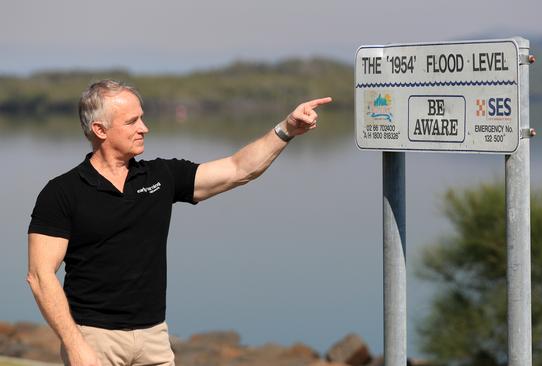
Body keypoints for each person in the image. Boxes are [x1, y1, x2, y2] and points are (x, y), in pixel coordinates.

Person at [26, 79, 332, 366]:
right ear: (100, 129)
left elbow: (239, 169)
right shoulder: (62, 192)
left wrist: (286, 129)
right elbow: (41, 276)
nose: (144, 128)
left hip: (154, 338)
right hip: (94, 339)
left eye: (142, 118)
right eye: (132, 121)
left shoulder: (161, 177)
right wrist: (75, 343)